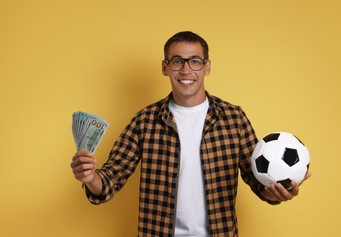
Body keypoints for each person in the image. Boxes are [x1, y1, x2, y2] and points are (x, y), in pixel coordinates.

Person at [70, 31, 311, 236]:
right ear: (165, 68)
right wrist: (90, 177)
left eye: (195, 61)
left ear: (207, 67)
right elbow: (111, 178)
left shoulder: (234, 118)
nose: (186, 69)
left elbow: (257, 179)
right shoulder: (145, 120)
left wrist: (279, 193)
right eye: (177, 61)